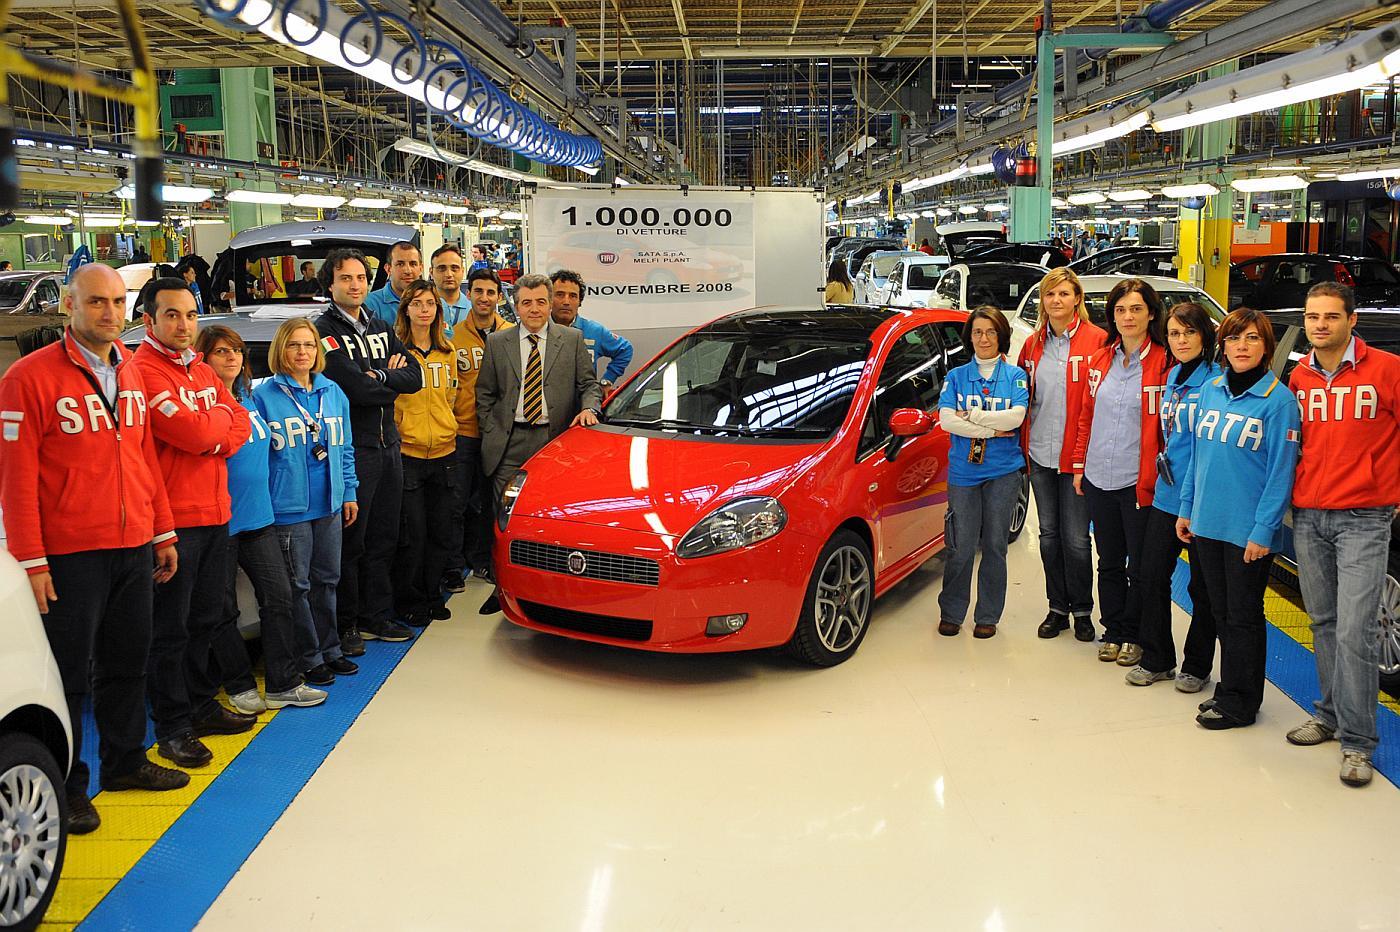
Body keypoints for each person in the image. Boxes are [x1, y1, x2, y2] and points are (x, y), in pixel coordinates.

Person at [0, 263, 189, 835]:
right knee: (68, 678)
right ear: (70, 305)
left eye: (117, 302)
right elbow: (15, 480)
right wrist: (32, 560)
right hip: (68, 556)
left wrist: (162, 529)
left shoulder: (128, 369)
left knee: (127, 663)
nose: (110, 313)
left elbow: (143, 457)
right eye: (97, 302)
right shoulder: (28, 378)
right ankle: (68, 787)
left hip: (133, 546)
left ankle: (125, 761)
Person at [134, 279, 257, 770]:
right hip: (175, 522)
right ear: (149, 320)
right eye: (172, 315)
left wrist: (215, 432)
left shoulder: (203, 369)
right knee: (171, 630)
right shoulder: (143, 372)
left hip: (216, 513)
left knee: (207, 619)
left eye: (190, 315)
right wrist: (215, 429)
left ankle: (202, 705)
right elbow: (191, 431)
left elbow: (238, 421)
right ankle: (173, 727)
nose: (184, 324)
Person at [1286, 282, 1400, 786]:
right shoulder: (1300, 377)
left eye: (1331, 317)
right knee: (1325, 622)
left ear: (1352, 321)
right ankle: (1330, 715)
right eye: (1313, 317)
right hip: (1310, 515)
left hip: (1364, 517)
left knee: (1356, 630)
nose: (1320, 325)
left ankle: (1358, 742)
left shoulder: (1387, 370)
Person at [1176, 308, 1300, 730]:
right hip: (1207, 524)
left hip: (1248, 532)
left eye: (1251, 338)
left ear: (1266, 347)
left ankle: (1242, 703)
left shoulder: (1279, 402)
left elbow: (1281, 474)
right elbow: (1197, 458)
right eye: (1233, 338)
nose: (1241, 346)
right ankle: (1230, 689)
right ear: (1222, 346)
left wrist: (1264, 531)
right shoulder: (1211, 391)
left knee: (1244, 615)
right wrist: (1187, 509)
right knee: (1220, 611)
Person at [197, 324, 327, 710]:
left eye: (236, 350)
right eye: (221, 352)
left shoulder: (249, 396)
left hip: (259, 517)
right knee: (224, 610)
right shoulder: (202, 404)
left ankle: (282, 683)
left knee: (279, 597)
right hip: (220, 523)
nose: (232, 357)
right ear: (203, 359)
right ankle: (239, 685)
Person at [475, 273, 602, 612]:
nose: (534, 309)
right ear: (516, 306)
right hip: (508, 443)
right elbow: (485, 393)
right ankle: (502, 590)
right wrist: (491, 428)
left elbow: (588, 385)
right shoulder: (497, 342)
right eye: (527, 303)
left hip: (554, 443)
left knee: (553, 519)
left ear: (549, 304)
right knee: (505, 518)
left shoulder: (572, 339)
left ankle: (553, 590)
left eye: (541, 302)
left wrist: (589, 408)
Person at [315, 249, 422, 651]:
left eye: (360, 277)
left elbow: (414, 376)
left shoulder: (379, 325)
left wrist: (378, 376)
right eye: (346, 278)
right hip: (354, 449)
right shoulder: (323, 332)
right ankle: (348, 624)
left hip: (388, 446)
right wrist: (387, 379)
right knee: (352, 542)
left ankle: (377, 616)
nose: (355, 285)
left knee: (384, 537)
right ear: (330, 285)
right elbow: (355, 389)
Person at [1071, 279, 1171, 666]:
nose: (1128, 317)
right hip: (1098, 475)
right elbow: (1086, 417)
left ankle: (1134, 633)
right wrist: (1079, 466)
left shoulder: (1165, 362)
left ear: (1151, 313)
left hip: (1138, 481)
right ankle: (1112, 630)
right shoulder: (1101, 359)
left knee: (1140, 566)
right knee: (1109, 560)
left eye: (1136, 309)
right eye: (1120, 310)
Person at [255, 319, 360, 686]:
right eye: (294, 345)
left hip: (329, 503)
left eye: (309, 345)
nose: (302, 352)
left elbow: (345, 448)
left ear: (318, 350)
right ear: (281, 350)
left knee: (327, 580)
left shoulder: (333, 392)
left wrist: (349, 491)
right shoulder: (264, 397)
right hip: (289, 508)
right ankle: (309, 656)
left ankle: (331, 649)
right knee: (298, 587)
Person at [1127, 302, 1220, 694]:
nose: (1181, 341)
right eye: (1174, 333)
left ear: (1205, 336)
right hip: (1168, 493)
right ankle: (1158, 658)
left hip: (1201, 498)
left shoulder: (1216, 383)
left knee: (1202, 588)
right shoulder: (1173, 377)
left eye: (1189, 332)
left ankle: (1197, 665)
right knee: (1150, 575)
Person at [1017, 267, 1108, 642]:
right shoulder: (1032, 345)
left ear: (1077, 299)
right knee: (1049, 536)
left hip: (1078, 458)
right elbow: (1023, 397)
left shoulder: (1099, 341)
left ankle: (1082, 610)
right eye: (1050, 294)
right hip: (1040, 453)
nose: (1056, 300)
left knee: (1076, 539)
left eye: (1064, 293)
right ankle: (1057, 608)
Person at [935, 307, 1028, 639]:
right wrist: (991, 430)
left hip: (1004, 472)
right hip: (964, 473)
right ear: (969, 337)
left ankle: (988, 615)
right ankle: (952, 612)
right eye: (977, 332)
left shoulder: (1016, 376)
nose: (984, 338)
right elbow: (946, 420)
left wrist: (972, 416)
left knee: (994, 545)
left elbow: (1015, 418)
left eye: (990, 332)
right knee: (960, 545)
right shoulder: (957, 376)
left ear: (1001, 336)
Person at [392, 282, 468, 624]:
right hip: (408, 453)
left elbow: (452, 396)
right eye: (417, 303)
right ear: (406, 309)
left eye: (430, 304)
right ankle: (410, 599)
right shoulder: (396, 352)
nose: (424, 310)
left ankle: (433, 593)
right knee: (413, 534)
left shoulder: (447, 351)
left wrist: (446, 424)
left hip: (444, 452)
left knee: (441, 531)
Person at [448, 268, 514, 588]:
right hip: (463, 431)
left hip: (500, 434)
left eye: (490, 292)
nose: (484, 298)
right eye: (478, 291)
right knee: (457, 502)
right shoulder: (453, 336)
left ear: (499, 296)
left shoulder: (513, 334)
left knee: (492, 502)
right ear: (469, 294)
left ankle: (484, 561)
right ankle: (454, 564)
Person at [550, 269, 634, 392]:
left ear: (579, 301)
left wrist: (607, 380)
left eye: (573, 296)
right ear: (549, 299)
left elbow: (625, 349)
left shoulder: (594, 331)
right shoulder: (538, 330)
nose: (566, 302)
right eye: (560, 294)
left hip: (585, 401)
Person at [363, 241, 423, 326]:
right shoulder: (370, 304)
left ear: (421, 268)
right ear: (388, 269)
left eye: (413, 264)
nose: (408, 271)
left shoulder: (436, 303)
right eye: (400, 264)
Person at [430, 243, 471, 333]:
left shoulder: (473, 309)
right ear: (431, 272)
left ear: (462, 271)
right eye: (442, 268)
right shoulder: (421, 309)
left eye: (454, 268)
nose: (449, 274)